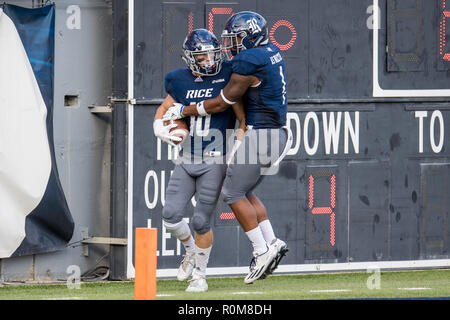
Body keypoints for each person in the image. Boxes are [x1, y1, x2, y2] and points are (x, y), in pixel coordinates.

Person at [163, 11, 293, 284]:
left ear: (249, 36)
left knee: (232, 193)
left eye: (235, 39)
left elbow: (222, 102)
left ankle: (261, 251)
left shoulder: (248, 60)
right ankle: (272, 241)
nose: (231, 45)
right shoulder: (271, 51)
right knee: (244, 191)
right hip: (278, 132)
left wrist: (184, 109)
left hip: (261, 133)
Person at [153, 28, 245, 292]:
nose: (208, 60)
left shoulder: (227, 75)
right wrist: (159, 127)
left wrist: (237, 147)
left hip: (215, 159)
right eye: (202, 55)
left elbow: (242, 117)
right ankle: (191, 251)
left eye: (211, 54)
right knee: (170, 216)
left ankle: (200, 276)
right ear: (190, 57)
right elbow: (165, 108)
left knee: (201, 221)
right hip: (187, 157)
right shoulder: (179, 81)